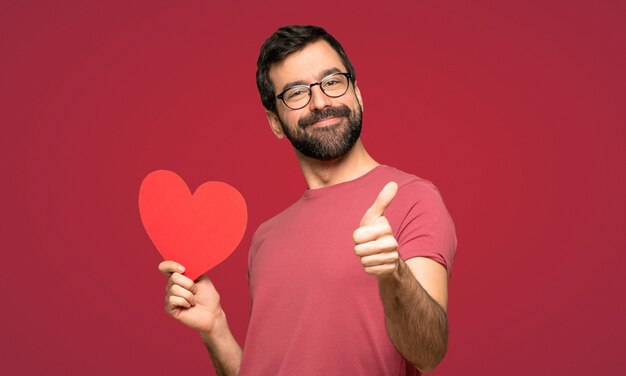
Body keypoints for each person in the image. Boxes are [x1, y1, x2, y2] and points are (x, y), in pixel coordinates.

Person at [159, 25, 456, 376]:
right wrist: (215, 328)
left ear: (357, 94)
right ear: (275, 122)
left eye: (332, 82)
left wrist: (394, 274)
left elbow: (428, 353)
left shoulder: (413, 199)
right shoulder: (265, 239)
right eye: (297, 92)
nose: (320, 102)